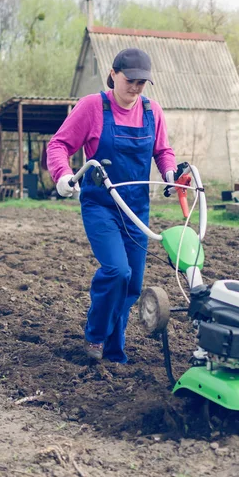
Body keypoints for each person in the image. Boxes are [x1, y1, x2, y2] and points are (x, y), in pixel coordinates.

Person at [47, 48, 177, 363]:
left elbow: (163, 150)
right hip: (101, 206)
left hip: (136, 210)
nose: (135, 88)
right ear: (114, 74)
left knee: (132, 284)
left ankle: (114, 349)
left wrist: (170, 174)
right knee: (117, 271)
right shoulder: (93, 107)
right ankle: (95, 337)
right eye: (130, 80)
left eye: (142, 83)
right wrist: (63, 175)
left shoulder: (151, 111)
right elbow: (59, 144)